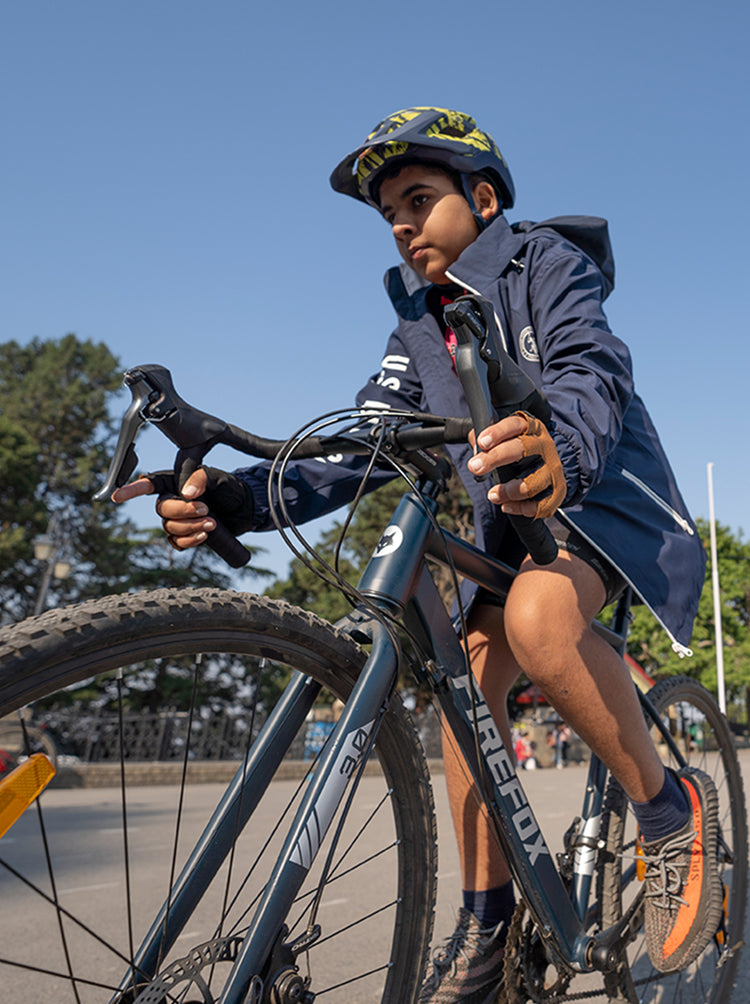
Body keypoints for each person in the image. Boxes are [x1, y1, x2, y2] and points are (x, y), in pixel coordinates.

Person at [113, 107, 721, 1003]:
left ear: (483, 200)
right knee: (464, 685)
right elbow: (363, 440)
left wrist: (559, 446)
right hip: (508, 528)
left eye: (419, 198)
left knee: (537, 619)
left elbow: (591, 368)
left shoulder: (547, 263)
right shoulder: (417, 328)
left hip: (597, 506)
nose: (401, 223)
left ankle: (670, 811)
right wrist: (240, 495)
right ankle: (487, 923)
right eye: (388, 212)